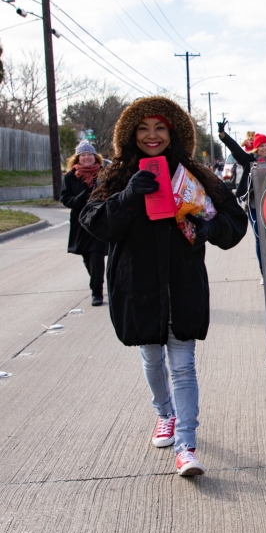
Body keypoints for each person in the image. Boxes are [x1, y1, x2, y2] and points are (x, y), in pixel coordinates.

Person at [80, 96, 248, 476]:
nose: (152, 135)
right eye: (143, 128)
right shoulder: (119, 174)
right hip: (138, 285)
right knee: (151, 358)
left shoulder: (194, 173)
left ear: (172, 131)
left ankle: (187, 445)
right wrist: (127, 196)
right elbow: (93, 222)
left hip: (183, 284)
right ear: (131, 134)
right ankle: (165, 414)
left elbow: (234, 220)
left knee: (184, 366)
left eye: (159, 127)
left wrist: (209, 228)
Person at [217, 124, 266, 283]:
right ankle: (264, 273)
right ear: (256, 148)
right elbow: (236, 149)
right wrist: (223, 134)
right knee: (260, 238)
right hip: (254, 205)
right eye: (262, 146)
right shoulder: (249, 160)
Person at [60, 139, 108, 306]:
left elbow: (111, 193)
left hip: (98, 220)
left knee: (97, 255)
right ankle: (96, 282)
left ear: (95, 157)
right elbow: (66, 199)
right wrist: (81, 198)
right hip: (80, 222)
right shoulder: (70, 177)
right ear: (77, 158)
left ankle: (97, 292)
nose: (87, 157)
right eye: (83, 155)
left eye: (90, 154)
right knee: (87, 256)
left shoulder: (103, 174)